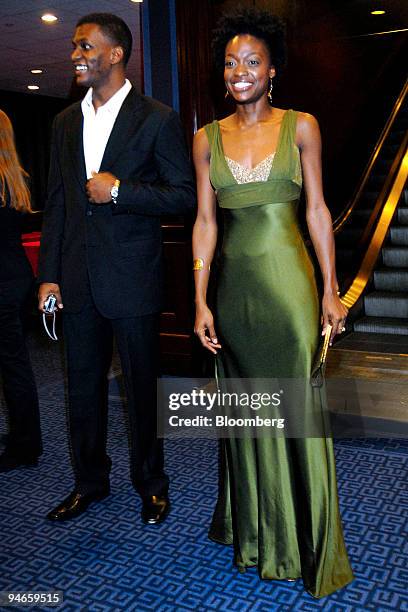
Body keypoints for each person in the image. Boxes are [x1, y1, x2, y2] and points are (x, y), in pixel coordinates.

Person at [192, 8, 354, 599]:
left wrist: (331, 289)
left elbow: (316, 211)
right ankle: (256, 531)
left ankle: (307, 543)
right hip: (233, 295)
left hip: (290, 287)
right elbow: (205, 224)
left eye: (252, 61)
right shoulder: (206, 139)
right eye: (231, 62)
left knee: (297, 412)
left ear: (272, 70)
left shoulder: (302, 126)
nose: (239, 71)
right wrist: (200, 299)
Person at [38, 13, 195, 523]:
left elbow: (184, 195)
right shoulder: (64, 123)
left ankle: (152, 483)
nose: (75, 55)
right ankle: (89, 482)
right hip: (78, 280)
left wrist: (121, 191)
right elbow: (59, 203)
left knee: (141, 390)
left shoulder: (156, 118)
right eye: (74, 47)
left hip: (132, 278)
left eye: (85, 46)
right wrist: (48, 274)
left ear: (115, 54)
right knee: (81, 389)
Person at [0, 109, 42, 472]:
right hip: (15, 277)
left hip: (2, 282)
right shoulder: (14, 179)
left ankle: (25, 445)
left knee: (12, 366)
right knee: (15, 363)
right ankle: (25, 439)